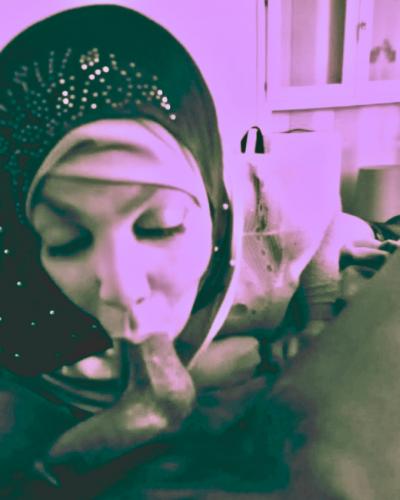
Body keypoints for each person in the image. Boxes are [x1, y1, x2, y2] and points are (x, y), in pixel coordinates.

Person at [0, 4, 395, 498]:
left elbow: (333, 227)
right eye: (67, 241)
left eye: (160, 226)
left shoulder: (277, 215)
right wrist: (181, 384)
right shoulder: (27, 309)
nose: (123, 287)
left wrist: (317, 321)